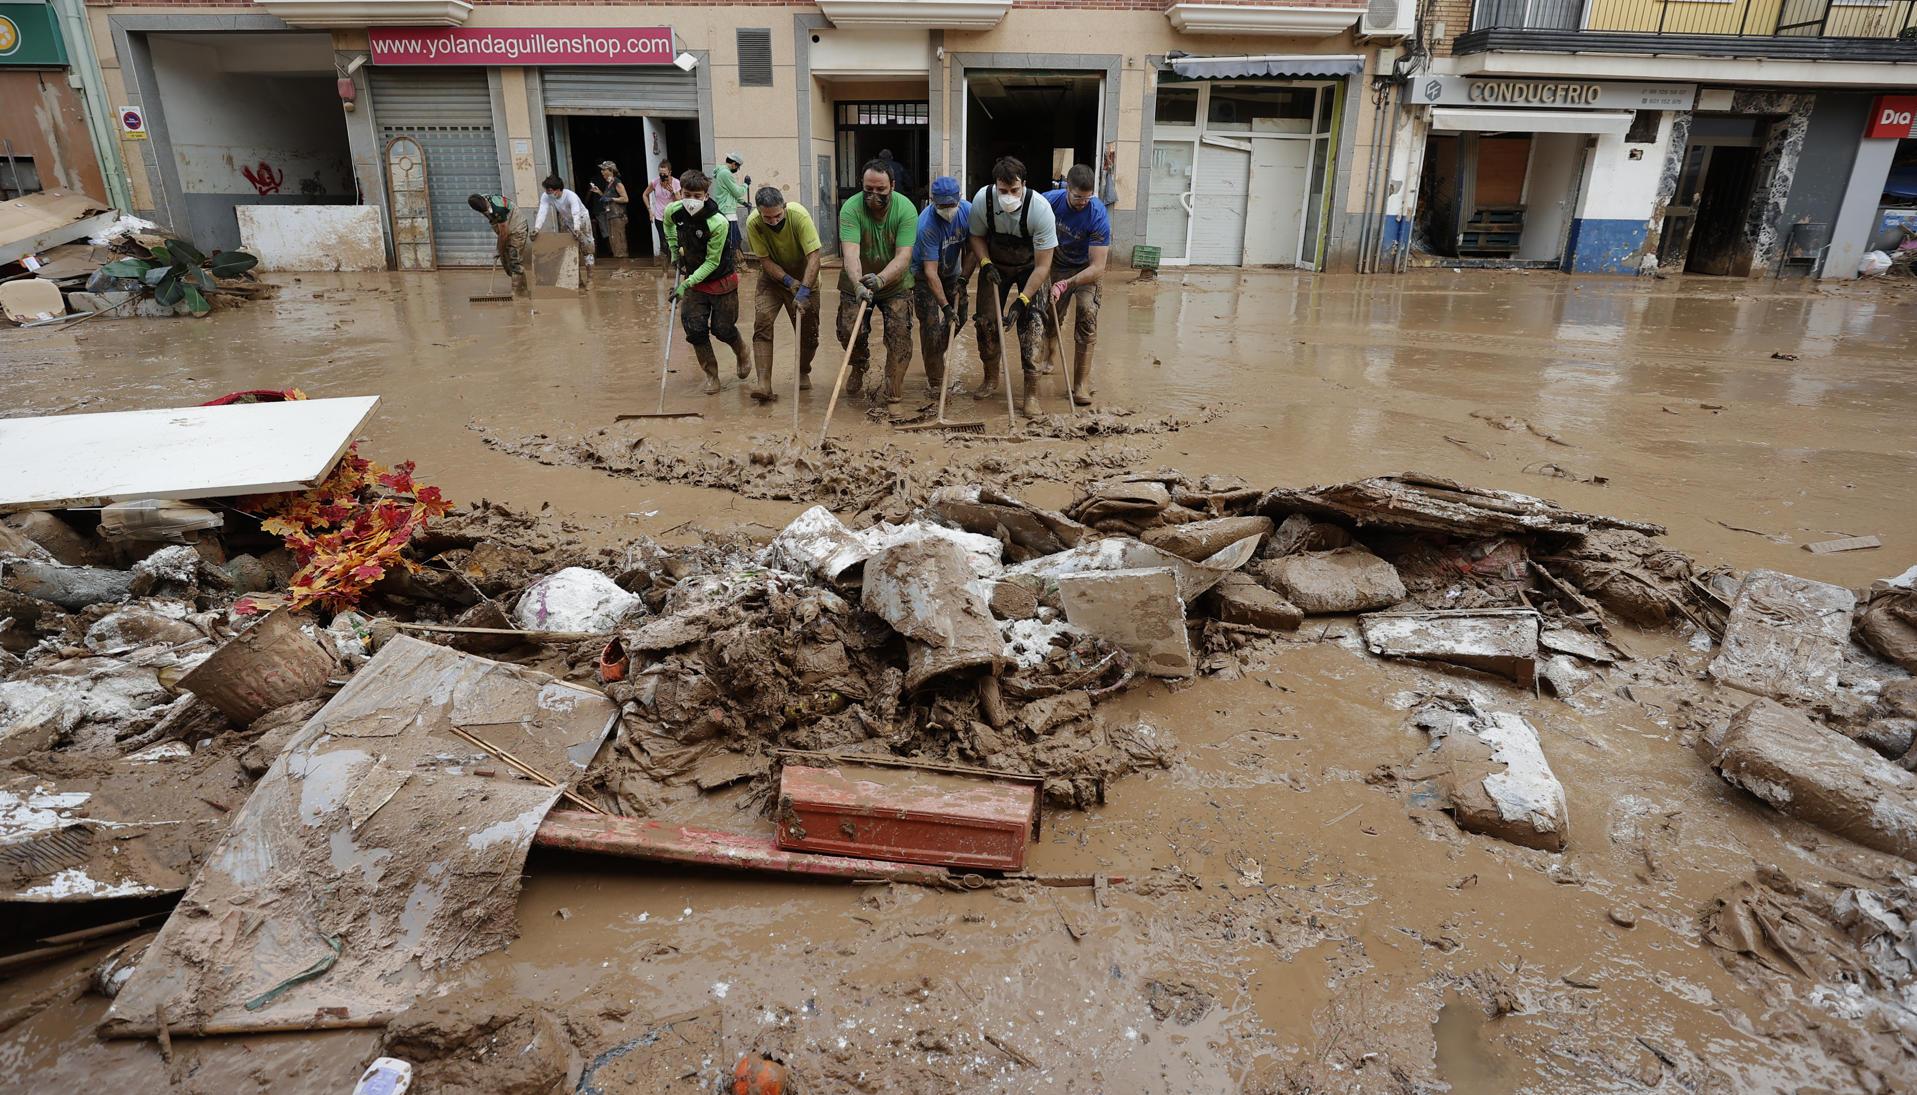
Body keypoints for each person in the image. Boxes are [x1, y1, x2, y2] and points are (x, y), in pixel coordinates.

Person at [966, 155, 1056, 416]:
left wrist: (1022, 301)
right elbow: (976, 236)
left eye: (1014, 190)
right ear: (995, 185)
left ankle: (1031, 393)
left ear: (1024, 185)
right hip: (996, 265)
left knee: (1034, 325)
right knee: (985, 322)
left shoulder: (1040, 210)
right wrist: (984, 263)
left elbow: (1043, 266)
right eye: (1002, 191)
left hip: (1031, 267)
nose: (1008, 196)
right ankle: (991, 377)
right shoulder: (983, 200)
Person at [837, 158, 917, 405]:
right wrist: (859, 285)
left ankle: (893, 382)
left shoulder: (906, 209)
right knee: (849, 330)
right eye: (868, 189)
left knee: (899, 334)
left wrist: (881, 279)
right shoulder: (850, 208)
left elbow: (904, 256)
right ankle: (859, 366)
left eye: (880, 190)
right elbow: (850, 253)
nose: (874, 195)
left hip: (894, 284)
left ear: (892, 185)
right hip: (857, 280)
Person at [662, 170, 751, 394]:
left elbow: (712, 262)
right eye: (687, 194)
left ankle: (741, 351)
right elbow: (668, 226)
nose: (691, 200)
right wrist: (673, 249)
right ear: (680, 192)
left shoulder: (717, 222)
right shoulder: (674, 211)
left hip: (721, 280)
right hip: (694, 283)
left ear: (706, 195)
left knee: (722, 329)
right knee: (694, 329)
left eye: (697, 195)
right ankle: (711, 374)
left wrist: (684, 285)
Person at [1041, 164, 1111, 406]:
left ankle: (1080, 384)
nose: (1083, 202)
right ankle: (1049, 355)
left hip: (1086, 270)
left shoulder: (1098, 214)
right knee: (1051, 316)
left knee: (1086, 314)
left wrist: (1067, 283)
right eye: (1078, 197)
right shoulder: (1048, 202)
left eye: (1088, 197)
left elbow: (1098, 267)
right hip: (1057, 264)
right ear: (1066, 188)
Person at [744, 187, 822, 401]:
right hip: (773, 280)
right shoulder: (753, 223)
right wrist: (788, 281)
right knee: (762, 323)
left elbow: (815, 257)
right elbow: (765, 260)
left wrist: (804, 289)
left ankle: (803, 370)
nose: (773, 221)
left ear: (784, 208)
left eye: (777, 215)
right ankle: (764, 384)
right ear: (760, 213)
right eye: (767, 217)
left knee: (809, 335)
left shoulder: (799, 216)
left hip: (806, 277)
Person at [910, 176, 973, 395]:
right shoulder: (927, 225)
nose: (947, 210)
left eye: (951, 205)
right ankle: (936, 381)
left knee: (961, 315)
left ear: (960, 198)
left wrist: (964, 278)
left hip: (952, 272)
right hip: (923, 275)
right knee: (930, 324)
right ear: (932, 201)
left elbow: (972, 248)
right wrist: (945, 307)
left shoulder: (967, 212)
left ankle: (934, 354)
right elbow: (930, 272)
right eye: (942, 206)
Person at [532, 174, 594, 287]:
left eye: (550, 190)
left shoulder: (571, 196)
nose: (547, 192)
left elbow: (576, 212)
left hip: (581, 219)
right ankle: (577, 280)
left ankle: (590, 279)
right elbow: (542, 211)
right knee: (569, 250)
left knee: (587, 248)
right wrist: (536, 228)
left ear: (558, 189)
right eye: (546, 190)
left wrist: (577, 229)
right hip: (566, 220)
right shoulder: (546, 196)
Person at [467, 191, 530, 296]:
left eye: (486, 209)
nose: (485, 212)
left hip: (518, 228)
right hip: (505, 227)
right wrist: (500, 251)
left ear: (485, 201)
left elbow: (504, 234)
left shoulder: (498, 208)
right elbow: (501, 230)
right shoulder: (481, 202)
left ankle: (518, 294)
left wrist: (499, 248)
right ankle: (522, 287)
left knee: (514, 260)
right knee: (505, 261)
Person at [588, 161, 631, 258]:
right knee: (614, 242)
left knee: (619, 242)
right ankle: (620, 268)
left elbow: (625, 198)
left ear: (611, 170)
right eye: (601, 170)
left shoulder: (617, 182)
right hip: (611, 216)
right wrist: (599, 192)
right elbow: (607, 198)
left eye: (604, 170)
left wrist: (611, 199)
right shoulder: (609, 184)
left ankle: (624, 267)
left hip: (618, 216)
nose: (602, 172)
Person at [641, 160, 681, 260]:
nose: (662, 176)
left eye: (665, 174)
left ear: (670, 172)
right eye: (660, 174)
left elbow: (680, 202)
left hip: (672, 217)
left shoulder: (676, 183)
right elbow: (645, 195)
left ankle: (677, 266)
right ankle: (665, 272)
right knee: (664, 243)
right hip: (659, 217)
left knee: (676, 243)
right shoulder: (655, 182)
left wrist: (673, 192)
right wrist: (650, 210)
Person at [713, 152, 749, 256]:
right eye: (737, 167)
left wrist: (744, 203)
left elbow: (730, 194)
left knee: (737, 239)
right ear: (734, 164)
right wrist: (745, 185)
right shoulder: (725, 173)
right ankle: (735, 266)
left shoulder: (722, 173)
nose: (737, 170)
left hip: (728, 210)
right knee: (732, 242)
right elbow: (737, 192)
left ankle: (739, 264)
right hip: (727, 212)